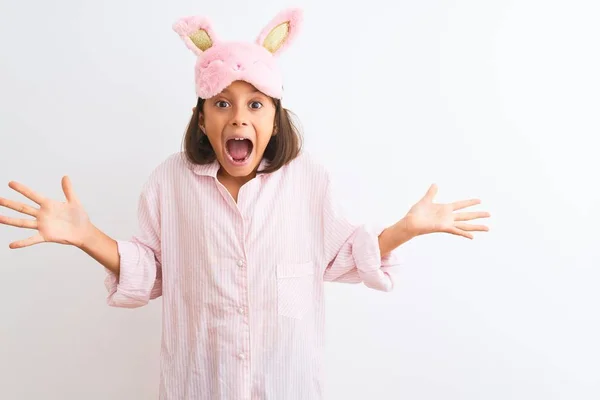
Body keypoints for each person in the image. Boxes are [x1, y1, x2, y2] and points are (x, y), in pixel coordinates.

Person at [0, 7, 490, 400]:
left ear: (275, 120)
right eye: (222, 103)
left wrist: (407, 227)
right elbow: (150, 269)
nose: (239, 117)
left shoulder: (307, 180)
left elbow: (341, 256)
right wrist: (86, 236)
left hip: (286, 384)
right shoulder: (171, 181)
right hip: (197, 385)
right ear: (202, 119)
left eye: (255, 104)